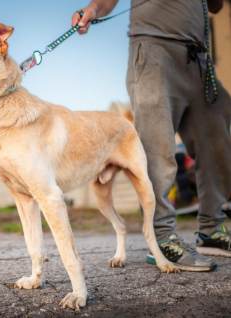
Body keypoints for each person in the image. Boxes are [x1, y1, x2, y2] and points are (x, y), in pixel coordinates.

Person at [72, 0, 231, 271]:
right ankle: (161, 237)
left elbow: (215, 7)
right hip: (154, 50)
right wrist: (93, 9)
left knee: (218, 141)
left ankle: (212, 230)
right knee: (157, 149)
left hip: (199, 58)